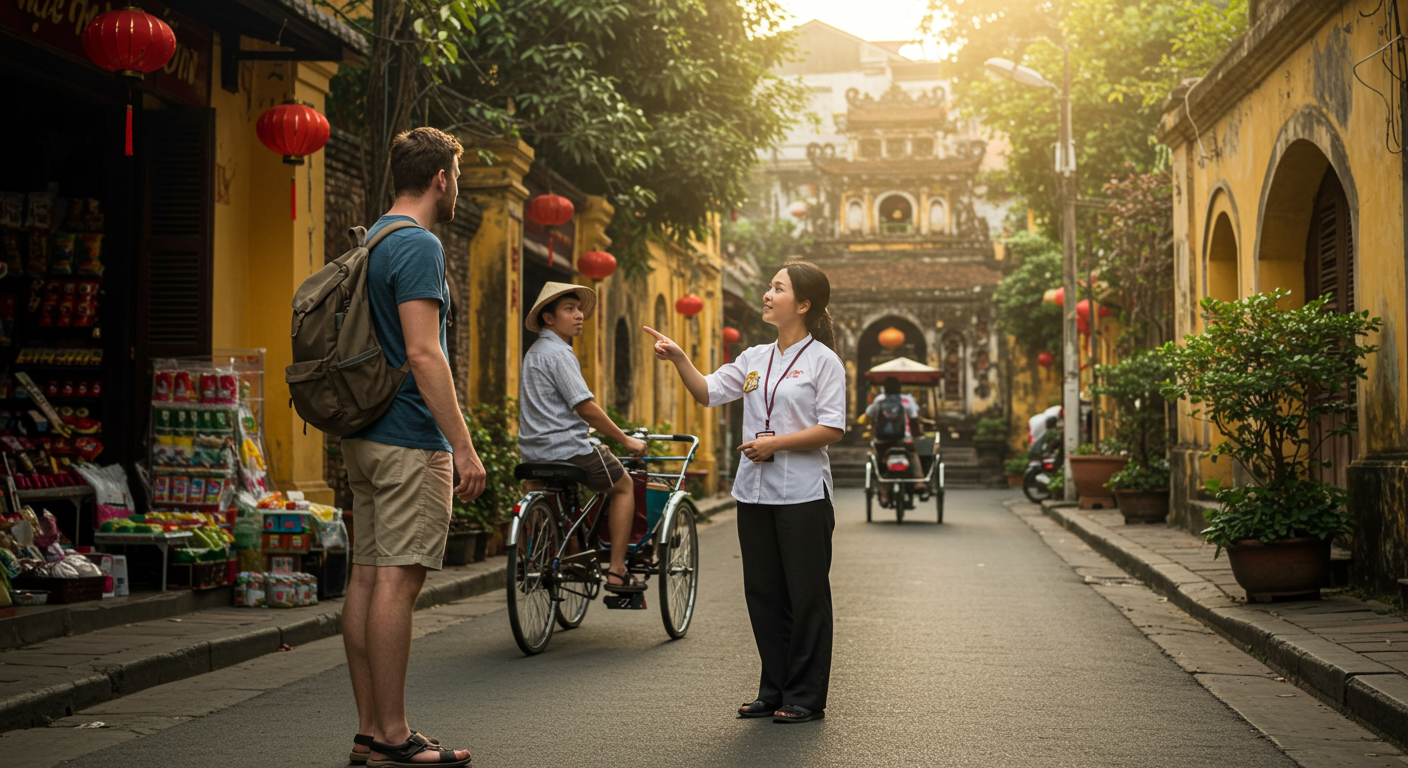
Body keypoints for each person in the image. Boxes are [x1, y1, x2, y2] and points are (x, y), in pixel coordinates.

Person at [645, 261, 845, 725]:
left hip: (803, 496)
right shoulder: (754, 357)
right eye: (769, 286)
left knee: (805, 595)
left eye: (778, 288)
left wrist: (777, 443)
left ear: (804, 304)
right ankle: (773, 688)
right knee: (763, 592)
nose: (766, 294)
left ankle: (805, 696)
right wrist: (679, 359)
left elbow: (832, 427)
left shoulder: (823, 361)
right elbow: (708, 392)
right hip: (754, 494)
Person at [341, 127, 478, 768]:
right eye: (459, 176)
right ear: (442, 178)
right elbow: (424, 352)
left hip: (364, 435)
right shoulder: (419, 245)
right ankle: (395, 736)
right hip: (407, 439)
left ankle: (370, 732)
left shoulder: (373, 238)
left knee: (368, 578)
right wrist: (465, 447)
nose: (459, 187)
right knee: (398, 583)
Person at [519, 282, 648, 591]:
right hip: (567, 450)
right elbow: (585, 408)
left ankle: (563, 554)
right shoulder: (558, 352)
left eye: (579, 309)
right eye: (569, 309)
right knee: (623, 487)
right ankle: (617, 570)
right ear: (549, 319)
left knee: (567, 501)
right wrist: (626, 440)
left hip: (533, 452)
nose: (579, 315)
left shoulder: (535, 351)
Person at [864, 376, 921, 506]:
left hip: (882, 440)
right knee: (913, 453)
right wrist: (917, 433)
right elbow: (913, 419)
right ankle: (919, 481)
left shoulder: (879, 400)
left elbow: (869, 414)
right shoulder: (907, 399)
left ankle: (884, 493)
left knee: (880, 462)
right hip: (903, 440)